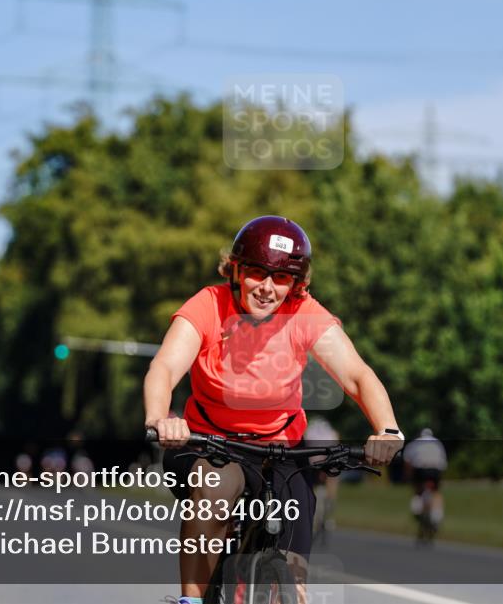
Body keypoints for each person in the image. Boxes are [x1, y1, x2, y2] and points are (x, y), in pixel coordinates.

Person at [144, 215, 404, 604]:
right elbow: (164, 366)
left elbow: (357, 376)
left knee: (295, 556)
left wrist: (388, 429)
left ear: (296, 285)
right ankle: (192, 600)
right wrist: (160, 418)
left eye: (281, 278)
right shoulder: (208, 304)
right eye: (256, 273)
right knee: (216, 495)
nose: (266, 288)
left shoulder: (304, 313)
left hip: (279, 448)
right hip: (210, 443)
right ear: (235, 269)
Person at [403, 428, 447, 527]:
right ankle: (437, 515)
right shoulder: (438, 443)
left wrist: (408, 477)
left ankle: (417, 508)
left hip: (421, 470)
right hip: (435, 470)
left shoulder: (414, 443)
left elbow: (408, 462)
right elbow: (443, 462)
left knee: (418, 490)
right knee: (436, 492)